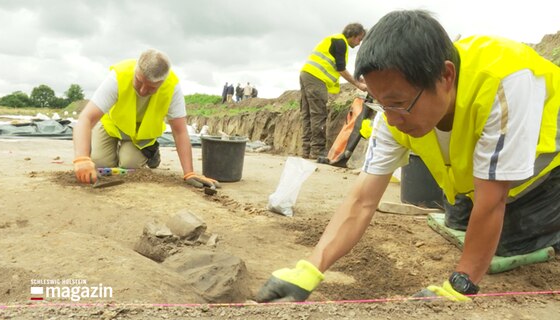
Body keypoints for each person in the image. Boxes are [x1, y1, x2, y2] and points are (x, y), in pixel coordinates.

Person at [257, 10, 560, 303]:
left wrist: (462, 284)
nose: (390, 119)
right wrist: (309, 269)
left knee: (507, 241)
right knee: (461, 219)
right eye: (382, 105)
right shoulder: (392, 110)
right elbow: (362, 199)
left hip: (545, 168)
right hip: (478, 178)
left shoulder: (505, 81)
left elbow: (492, 201)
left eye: (398, 104)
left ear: (446, 76)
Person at [72, 49, 220, 189]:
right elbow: (86, 118)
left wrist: (189, 172)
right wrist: (82, 158)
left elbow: (180, 131)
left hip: (141, 135)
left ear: (162, 82)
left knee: (130, 166)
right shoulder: (119, 76)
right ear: (136, 70)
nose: (142, 90)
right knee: (99, 163)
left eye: (151, 88)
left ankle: (151, 153)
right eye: (139, 81)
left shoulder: (171, 87)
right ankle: (111, 151)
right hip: (113, 125)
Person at [300, 23, 368, 160]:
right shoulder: (340, 42)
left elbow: (338, 66)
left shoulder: (336, 40)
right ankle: (317, 151)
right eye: (359, 39)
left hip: (307, 74)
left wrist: (358, 78)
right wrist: (358, 85)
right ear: (353, 35)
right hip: (316, 78)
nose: (359, 43)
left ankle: (306, 150)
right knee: (318, 114)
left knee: (308, 114)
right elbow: (341, 69)